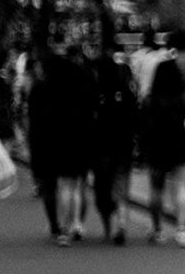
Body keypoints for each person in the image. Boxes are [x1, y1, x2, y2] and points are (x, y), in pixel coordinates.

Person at [25, 40, 92, 243]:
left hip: (46, 142)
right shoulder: (76, 87)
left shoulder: (40, 89)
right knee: (73, 185)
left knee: (51, 187)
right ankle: (73, 224)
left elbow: (32, 119)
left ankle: (57, 225)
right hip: (74, 140)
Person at [135, 54, 185, 243]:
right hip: (179, 144)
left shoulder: (150, 100)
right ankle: (181, 229)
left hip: (156, 146)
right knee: (181, 186)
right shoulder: (184, 99)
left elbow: (142, 125)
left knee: (156, 188)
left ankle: (157, 229)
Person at [85, 41, 139, 244]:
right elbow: (135, 119)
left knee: (102, 189)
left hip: (100, 149)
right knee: (121, 187)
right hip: (123, 147)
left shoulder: (94, 94)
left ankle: (108, 228)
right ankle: (122, 223)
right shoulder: (126, 93)